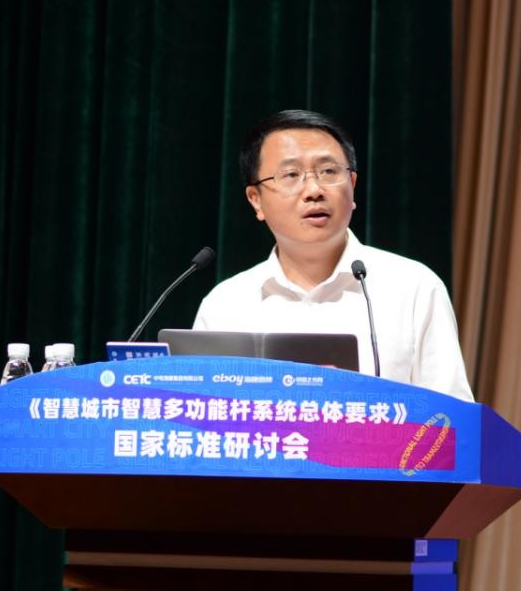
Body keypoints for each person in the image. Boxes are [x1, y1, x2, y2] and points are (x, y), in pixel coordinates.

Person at [193, 109, 474, 402]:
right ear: (256, 200)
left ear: (352, 186)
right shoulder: (225, 305)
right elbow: (198, 414)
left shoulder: (413, 288)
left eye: (328, 172)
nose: (314, 190)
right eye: (291, 175)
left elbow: (452, 414)